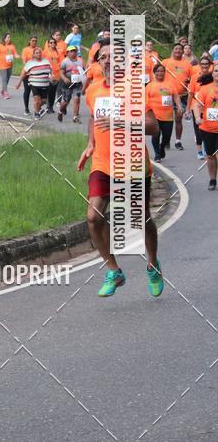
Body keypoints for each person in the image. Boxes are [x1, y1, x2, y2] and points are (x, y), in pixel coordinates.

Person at [77, 42, 164, 297]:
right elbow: (94, 117)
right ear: (98, 63)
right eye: (102, 57)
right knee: (93, 217)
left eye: (112, 57)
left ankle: (153, 264)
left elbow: (153, 127)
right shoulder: (92, 90)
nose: (107, 61)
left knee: (142, 219)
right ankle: (113, 270)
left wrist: (120, 122)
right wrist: (90, 143)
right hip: (103, 163)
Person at [146, 63, 182, 160]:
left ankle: (162, 147)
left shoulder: (170, 84)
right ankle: (157, 154)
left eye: (162, 71)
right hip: (154, 116)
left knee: (167, 137)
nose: (160, 73)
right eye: (158, 71)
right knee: (156, 135)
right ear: (154, 73)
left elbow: (176, 96)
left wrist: (179, 105)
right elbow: (145, 100)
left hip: (168, 116)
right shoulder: (149, 85)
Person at [161, 43, 192, 150]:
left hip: (182, 95)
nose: (178, 50)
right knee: (166, 120)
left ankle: (178, 141)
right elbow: (158, 76)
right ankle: (166, 140)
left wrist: (189, 81)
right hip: (167, 95)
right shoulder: (165, 62)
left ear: (183, 51)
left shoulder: (187, 64)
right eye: (176, 49)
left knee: (178, 118)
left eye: (180, 49)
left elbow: (191, 78)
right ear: (173, 50)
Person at [193, 65, 218, 190]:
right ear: (212, 74)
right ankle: (212, 179)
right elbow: (196, 105)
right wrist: (197, 117)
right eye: (216, 71)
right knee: (210, 156)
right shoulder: (205, 89)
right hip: (207, 128)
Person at [15, 46, 53, 119]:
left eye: (40, 52)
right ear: (34, 55)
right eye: (37, 53)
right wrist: (19, 82)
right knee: (36, 99)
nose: (39, 54)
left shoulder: (46, 61)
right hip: (34, 84)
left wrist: (52, 76)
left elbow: (51, 70)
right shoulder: (30, 63)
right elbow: (23, 73)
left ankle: (38, 107)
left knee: (44, 101)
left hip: (45, 84)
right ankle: (36, 113)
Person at [187, 58, 213, 158]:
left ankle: (208, 149)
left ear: (209, 65)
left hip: (209, 107)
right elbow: (191, 94)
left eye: (206, 64)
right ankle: (199, 151)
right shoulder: (194, 77)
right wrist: (188, 109)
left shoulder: (213, 76)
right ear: (200, 65)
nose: (204, 66)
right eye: (202, 64)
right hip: (196, 107)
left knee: (208, 129)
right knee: (198, 129)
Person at [57, 45, 86, 123]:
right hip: (67, 84)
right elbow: (61, 72)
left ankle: (75, 117)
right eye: (71, 51)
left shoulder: (80, 60)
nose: (73, 53)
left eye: (74, 51)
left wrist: (84, 82)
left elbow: (84, 72)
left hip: (77, 83)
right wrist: (64, 78)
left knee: (76, 99)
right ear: (67, 53)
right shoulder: (65, 61)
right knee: (66, 101)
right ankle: (60, 112)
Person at [0, 33, 18, 99]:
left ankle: (2, 91)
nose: (9, 38)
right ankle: (5, 93)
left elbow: (15, 54)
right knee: (4, 79)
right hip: (2, 65)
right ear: (4, 38)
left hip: (9, 65)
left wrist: (18, 56)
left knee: (7, 79)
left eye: (10, 37)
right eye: (8, 37)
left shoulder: (12, 46)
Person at [43, 36, 62, 113]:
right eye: (51, 42)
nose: (52, 44)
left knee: (53, 92)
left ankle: (51, 107)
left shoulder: (58, 52)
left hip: (57, 74)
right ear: (48, 44)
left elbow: (61, 62)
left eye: (54, 42)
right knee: (49, 91)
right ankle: (48, 107)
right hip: (49, 73)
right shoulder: (45, 52)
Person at [20, 36, 38, 114]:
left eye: (35, 41)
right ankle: (26, 109)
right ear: (29, 41)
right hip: (27, 74)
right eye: (33, 40)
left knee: (36, 93)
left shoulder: (38, 49)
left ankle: (37, 109)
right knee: (27, 91)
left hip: (36, 74)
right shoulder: (25, 49)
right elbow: (24, 61)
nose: (34, 42)